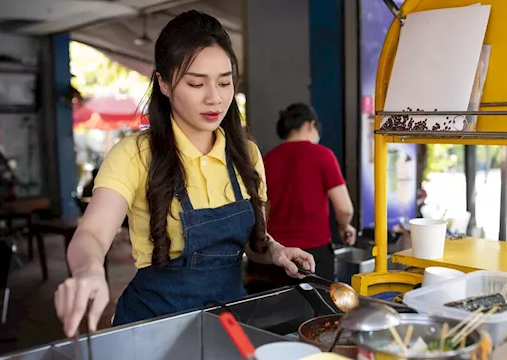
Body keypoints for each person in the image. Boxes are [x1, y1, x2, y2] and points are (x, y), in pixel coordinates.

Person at [53, 11, 315, 337]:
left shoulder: (246, 155)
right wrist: (88, 271)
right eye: (195, 83)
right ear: (163, 83)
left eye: (224, 82)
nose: (214, 98)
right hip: (152, 327)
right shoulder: (135, 154)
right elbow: (91, 234)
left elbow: (252, 245)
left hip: (228, 322)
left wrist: (275, 251)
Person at [255, 103, 355, 288]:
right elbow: (344, 208)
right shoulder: (323, 155)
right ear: (310, 125)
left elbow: (261, 210)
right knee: (318, 312)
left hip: (276, 255)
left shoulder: (267, 159)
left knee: (279, 312)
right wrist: (344, 225)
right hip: (314, 255)